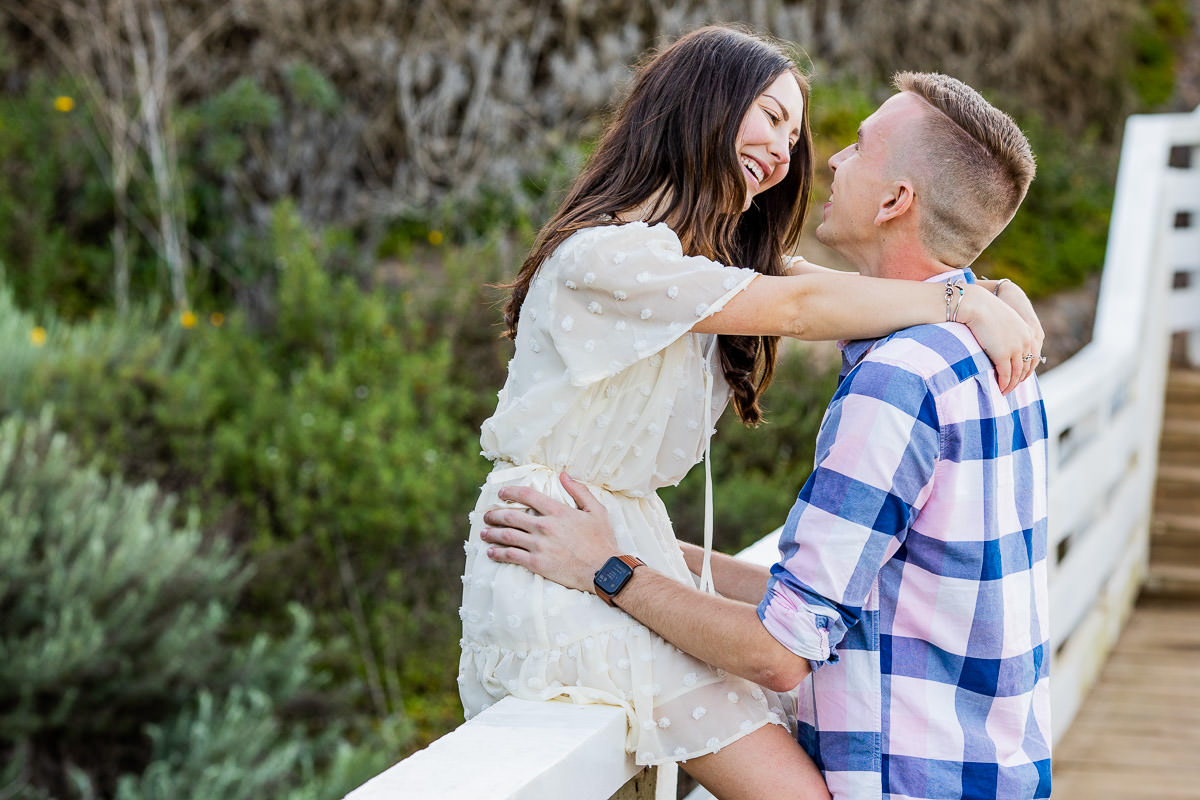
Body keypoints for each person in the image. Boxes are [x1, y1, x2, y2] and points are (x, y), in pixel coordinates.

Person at [460, 25, 1044, 799]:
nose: (797, 151)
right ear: (703, 99)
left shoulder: (714, 268)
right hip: (549, 538)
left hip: (614, 543)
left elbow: (813, 288)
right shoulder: (608, 258)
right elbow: (803, 304)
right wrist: (964, 295)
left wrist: (986, 292)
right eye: (773, 116)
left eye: (797, 133)